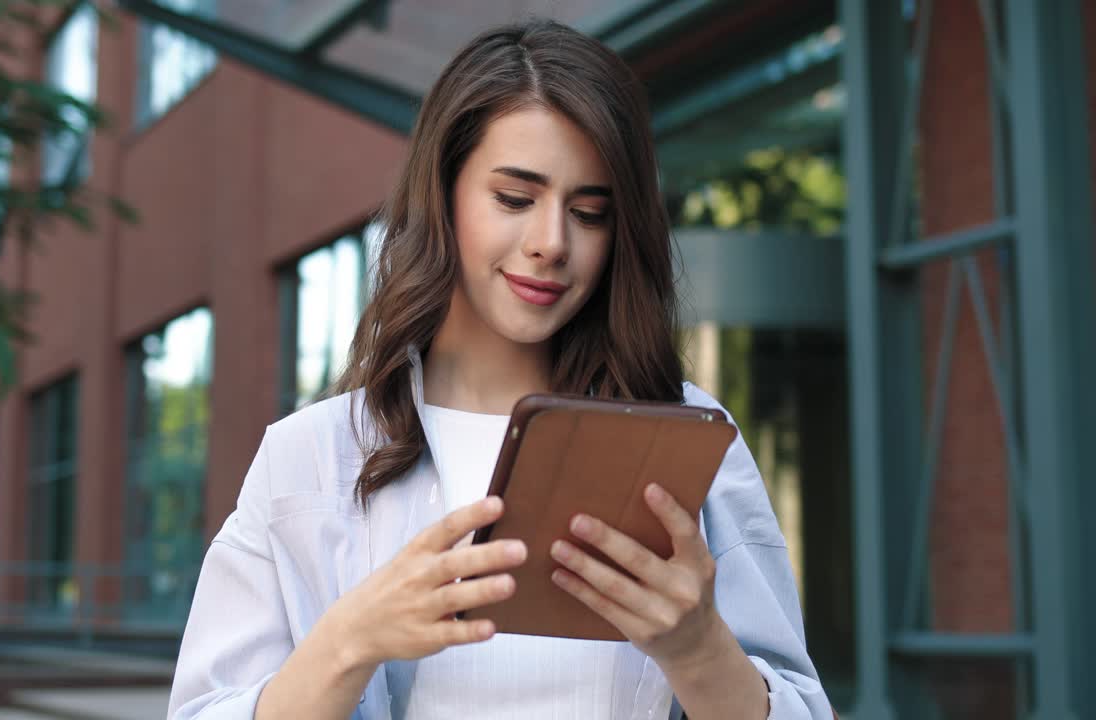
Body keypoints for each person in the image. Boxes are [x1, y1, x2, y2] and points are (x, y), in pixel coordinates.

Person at [167, 19, 834, 720]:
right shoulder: (309, 457)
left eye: (590, 213)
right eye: (515, 199)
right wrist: (348, 643)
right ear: (444, 196)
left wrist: (697, 647)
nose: (551, 243)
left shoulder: (686, 443)